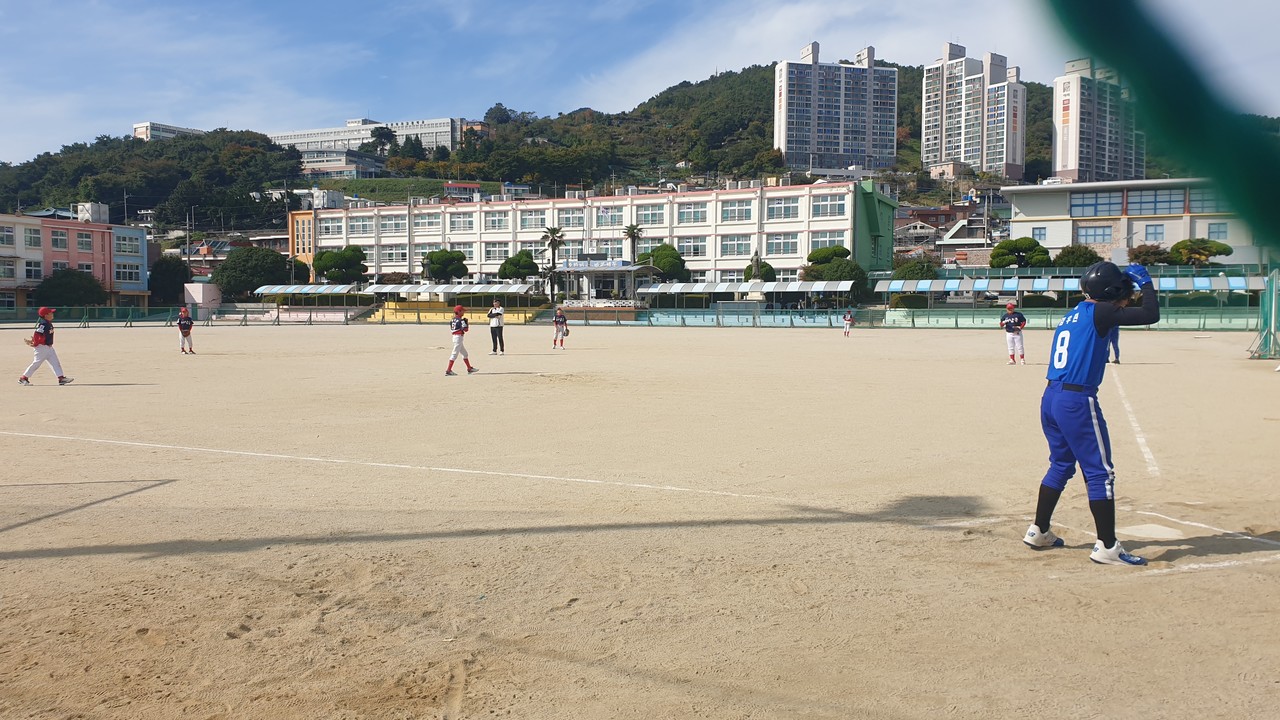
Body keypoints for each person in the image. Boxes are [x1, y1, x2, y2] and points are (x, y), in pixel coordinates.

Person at [1023, 262, 1159, 566]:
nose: (1127, 300)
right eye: (1125, 294)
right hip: (1076, 400)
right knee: (1100, 472)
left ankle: (1039, 530)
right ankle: (1108, 547)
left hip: (1052, 396)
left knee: (1060, 465)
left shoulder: (1074, 313)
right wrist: (1147, 284)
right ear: (1112, 293)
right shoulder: (1102, 310)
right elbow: (1151, 314)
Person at [18, 307, 73, 386]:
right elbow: (37, 334)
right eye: (50, 313)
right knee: (36, 364)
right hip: (41, 348)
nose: (52, 314)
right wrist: (35, 343)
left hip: (49, 348)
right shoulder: (43, 324)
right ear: (45, 315)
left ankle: (61, 378)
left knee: (55, 363)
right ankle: (23, 378)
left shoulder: (48, 323)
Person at [444, 305, 478, 376]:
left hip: (455, 337)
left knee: (465, 354)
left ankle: (469, 368)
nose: (463, 312)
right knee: (454, 354)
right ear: (458, 312)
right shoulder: (461, 320)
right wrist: (466, 323)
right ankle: (448, 370)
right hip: (458, 337)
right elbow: (466, 329)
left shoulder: (452, 320)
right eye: (462, 311)